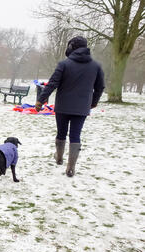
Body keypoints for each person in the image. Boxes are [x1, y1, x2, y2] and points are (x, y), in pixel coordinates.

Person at [35, 36, 105, 177]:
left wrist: (40, 100)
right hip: (82, 108)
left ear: (72, 47)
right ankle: (71, 168)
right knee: (75, 135)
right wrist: (93, 103)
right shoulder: (96, 66)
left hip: (63, 106)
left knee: (61, 133)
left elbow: (52, 83)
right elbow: (100, 87)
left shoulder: (64, 64)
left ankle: (59, 158)